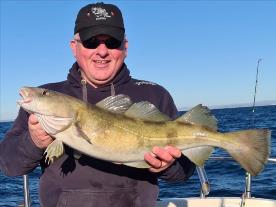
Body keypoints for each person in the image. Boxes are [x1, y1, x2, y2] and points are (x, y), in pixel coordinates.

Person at [0, 2, 195, 207]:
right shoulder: (41, 106)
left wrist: (167, 166)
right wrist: (33, 142)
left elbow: (184, 172)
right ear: (74, 47)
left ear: (125, 48)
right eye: (91, 41)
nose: (102, 51)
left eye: (112, 42)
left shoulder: (154, 94)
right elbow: (9, 166)